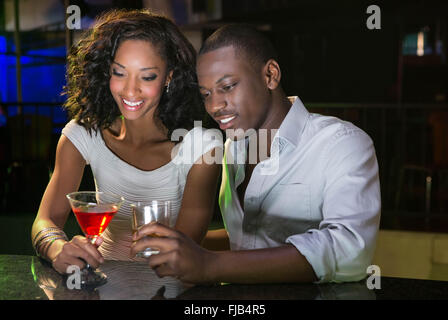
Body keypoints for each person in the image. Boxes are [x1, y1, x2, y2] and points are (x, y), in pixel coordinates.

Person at [131, 24, 381, 284]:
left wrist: (209, 264)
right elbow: (247, 241)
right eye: (206, 94)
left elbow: (350, 251)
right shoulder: (233, 147)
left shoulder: (341, 143)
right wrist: (182, 245)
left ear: (270, 75)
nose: (214, 106)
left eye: (227, 86)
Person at [31, 9, 222, 275]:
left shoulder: (201, 147)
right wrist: (57, 248)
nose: (130, 90)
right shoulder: (83, 135)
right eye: (119, 73)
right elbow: (46, 220)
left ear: (168, 77)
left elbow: (184, 249)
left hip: (171, 288)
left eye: (147, 77)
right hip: (101, 283)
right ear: (106, 72)